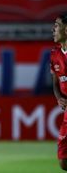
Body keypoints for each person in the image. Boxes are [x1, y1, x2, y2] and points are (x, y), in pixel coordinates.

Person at [51, 12, 67, 171]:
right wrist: (58, 97)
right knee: (63, 161)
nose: (53, 30)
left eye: (57, 26)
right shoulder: (55, 54)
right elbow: (55, 81)